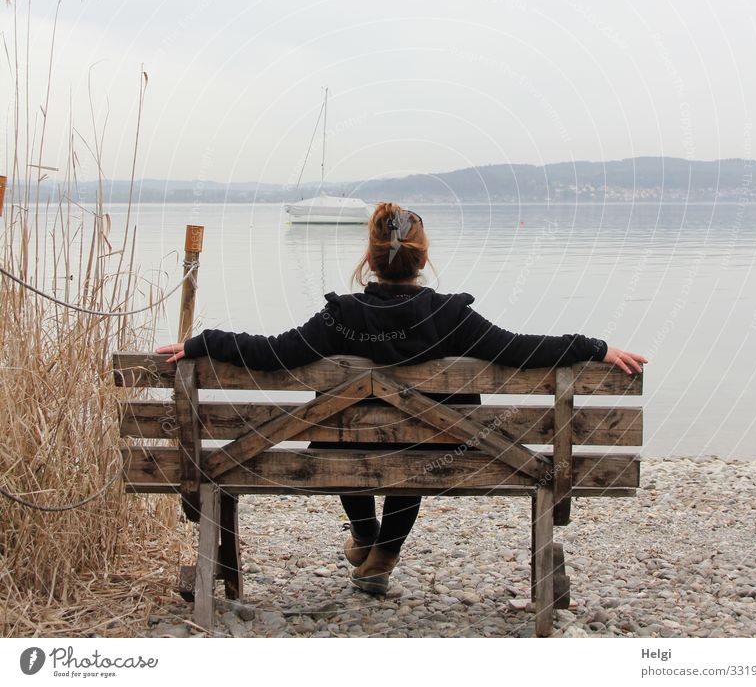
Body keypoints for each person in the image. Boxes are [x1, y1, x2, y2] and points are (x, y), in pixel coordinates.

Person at [157, 202, 647, 596]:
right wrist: (595, 347)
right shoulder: (452, 318)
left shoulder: (339, 317)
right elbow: (521, 351)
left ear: (369, 260)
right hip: (440, 457)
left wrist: (203, 343)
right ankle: (383, 552)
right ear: (423, 262)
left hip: (339, 451)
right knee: (426, 440)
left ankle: (368, 537)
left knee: (341, 429)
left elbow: (271, 354)